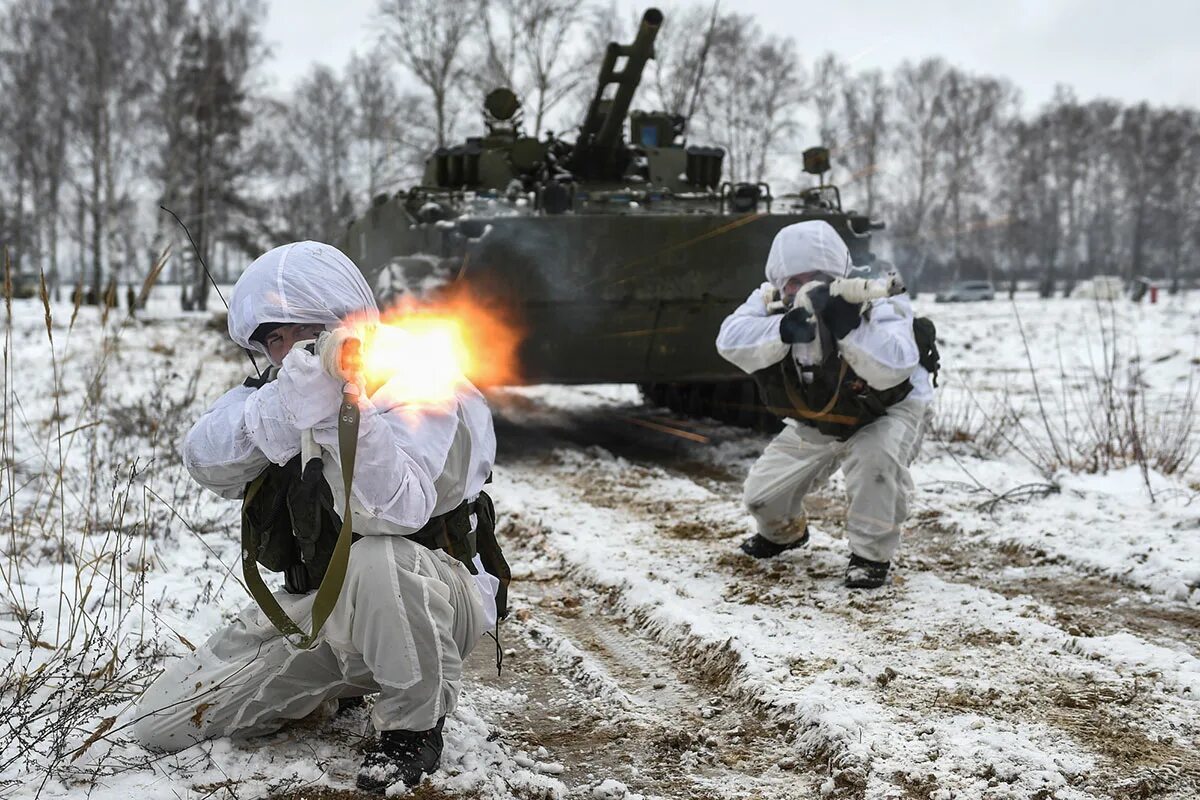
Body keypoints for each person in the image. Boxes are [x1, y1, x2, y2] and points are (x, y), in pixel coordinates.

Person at [132, 241, 506, 793]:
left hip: (435, 600)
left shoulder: (419, 379)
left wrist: (342, 414)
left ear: (347, 324)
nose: (290, 353)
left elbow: (398, 512)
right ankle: (341, 683)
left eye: (306, 333)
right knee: (161, 722)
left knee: (381, 560)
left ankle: (412, 728)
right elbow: (204, 459)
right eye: (275, 340)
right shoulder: (281, 391)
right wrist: (283, 412)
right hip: (325, 614)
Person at [715, 221, 934, 589]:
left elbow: (895, 366)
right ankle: (784, 535)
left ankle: (870, 556)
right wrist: (781, 330)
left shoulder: (877, 297)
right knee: (761, 498)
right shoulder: (770, 300)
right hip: (822, 414)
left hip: (887, 409)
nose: (807, 289)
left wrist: (851, 330)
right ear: (782, 282)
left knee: (876, 464)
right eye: (796, 282)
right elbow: (729, 339)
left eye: (817, 278)